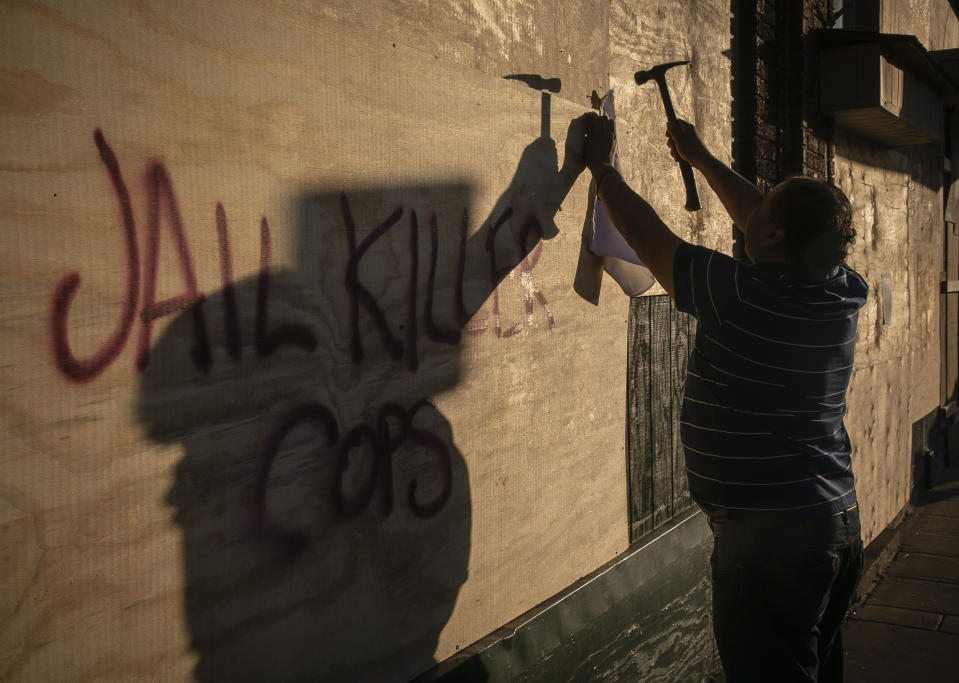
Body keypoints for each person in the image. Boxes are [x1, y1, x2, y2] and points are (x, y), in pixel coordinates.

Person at [569, 112, 868, 682]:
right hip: (834, 528)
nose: (751, 210)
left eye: (764, 206)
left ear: (775, 234)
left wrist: (602, 165)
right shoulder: (839, 290)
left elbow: (646, 236)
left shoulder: (741, 295)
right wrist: (702, 159)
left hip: (771, 550)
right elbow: (767, 220)